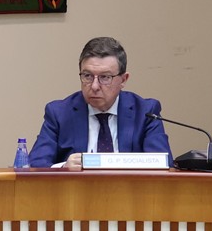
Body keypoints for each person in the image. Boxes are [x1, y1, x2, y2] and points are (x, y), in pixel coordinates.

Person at [29, 36, 171, 168]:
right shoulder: (59, 113)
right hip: (75, 187)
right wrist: (63, 168)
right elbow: (35, 165)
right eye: (87, 76)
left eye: (105, 77)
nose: (95, 86)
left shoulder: (146, 112)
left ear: (123, 80)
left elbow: (163, 165)